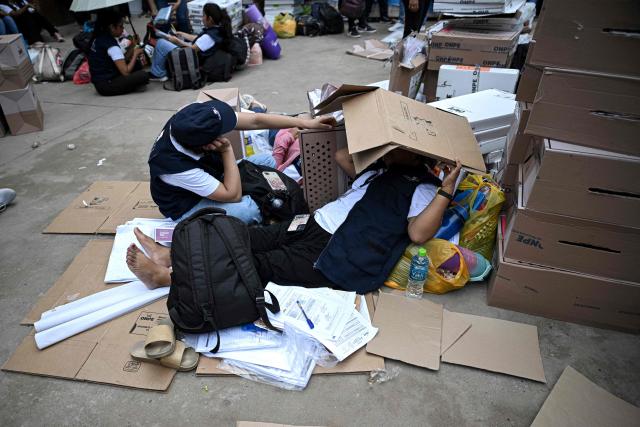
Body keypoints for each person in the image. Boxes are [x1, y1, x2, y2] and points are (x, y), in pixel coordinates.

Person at [127, 147, 462, 290]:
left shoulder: (422, 186)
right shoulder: (380, 169)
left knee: (260, 265)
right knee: (242, 235)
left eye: (397, 146)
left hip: (338, 253)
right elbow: (341, 156)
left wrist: (445, 189)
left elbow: (418, 234)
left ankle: (169, 279)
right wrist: (380, 147)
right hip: (313, 224)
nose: (389, 149)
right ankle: (170, 255)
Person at [148, 100, 337, 225]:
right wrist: (227, 150)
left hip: (214, 172)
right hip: (187, 204)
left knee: (267, 160)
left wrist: (306, 123)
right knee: (247, 208)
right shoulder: (175, 167)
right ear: (207, 145)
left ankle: (263, 198)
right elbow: (233, 195)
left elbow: (255, 120)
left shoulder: (188, 120)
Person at [149, 3, 231, 82]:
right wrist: (182, 34)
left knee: (160, 43)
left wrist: (178, 41)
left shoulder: (209, 37)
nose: (202, 18)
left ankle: (158, 74)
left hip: (191, 59)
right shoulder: (217, 30)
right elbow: (197, 39)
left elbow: (192, 50)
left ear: (210, 19)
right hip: (195, 55)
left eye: (203, 15)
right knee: (168, 41)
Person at [88, 10, 149, 96]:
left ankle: (131, 84)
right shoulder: (111, 45)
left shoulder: (100, 38)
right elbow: (125, 72)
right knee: (143, 76)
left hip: (101, 80)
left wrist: (133, 45)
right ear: (112, 27)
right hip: (107, 85)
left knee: (137, 65)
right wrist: (135, 54)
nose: (123, 29)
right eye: (121, 26)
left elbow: (122, 60)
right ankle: (132, 86)